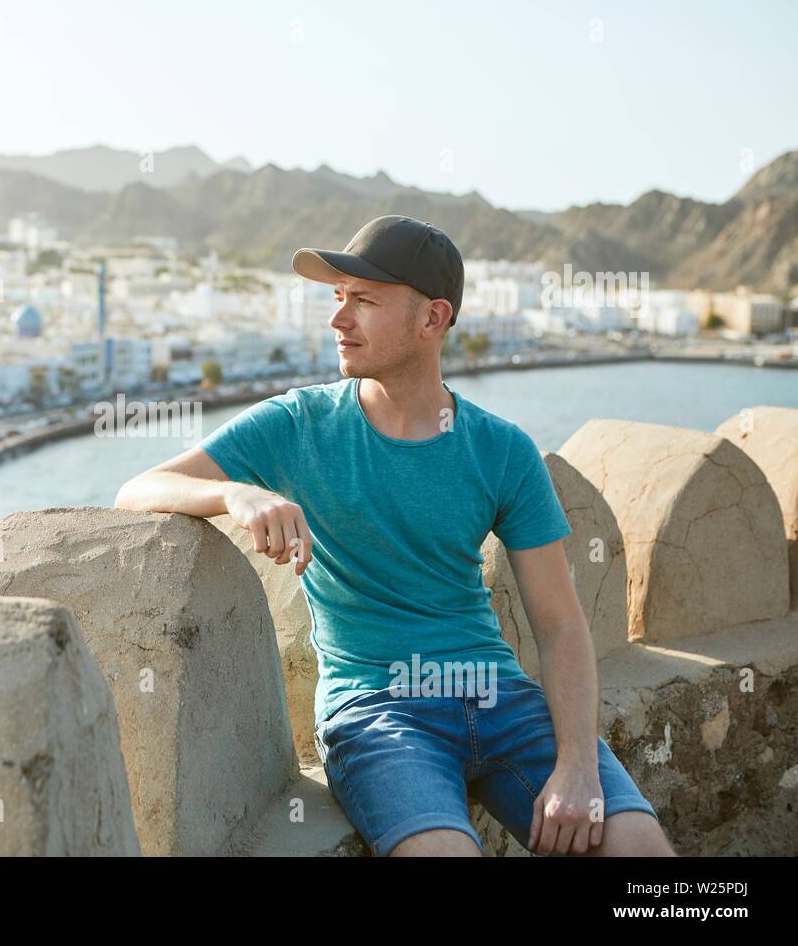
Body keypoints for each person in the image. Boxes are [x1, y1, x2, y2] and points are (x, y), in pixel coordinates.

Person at [115, 215, 675, 857]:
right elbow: (139, 489)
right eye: (338, 298)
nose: (339, 320)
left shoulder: (502, 450)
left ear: (432, 319)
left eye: (365, 301)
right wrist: (234, 492)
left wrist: (576, 767)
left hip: (500, 697)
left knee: (642, 853)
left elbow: (561, 626)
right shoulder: (298, 424)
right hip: (379, 711)